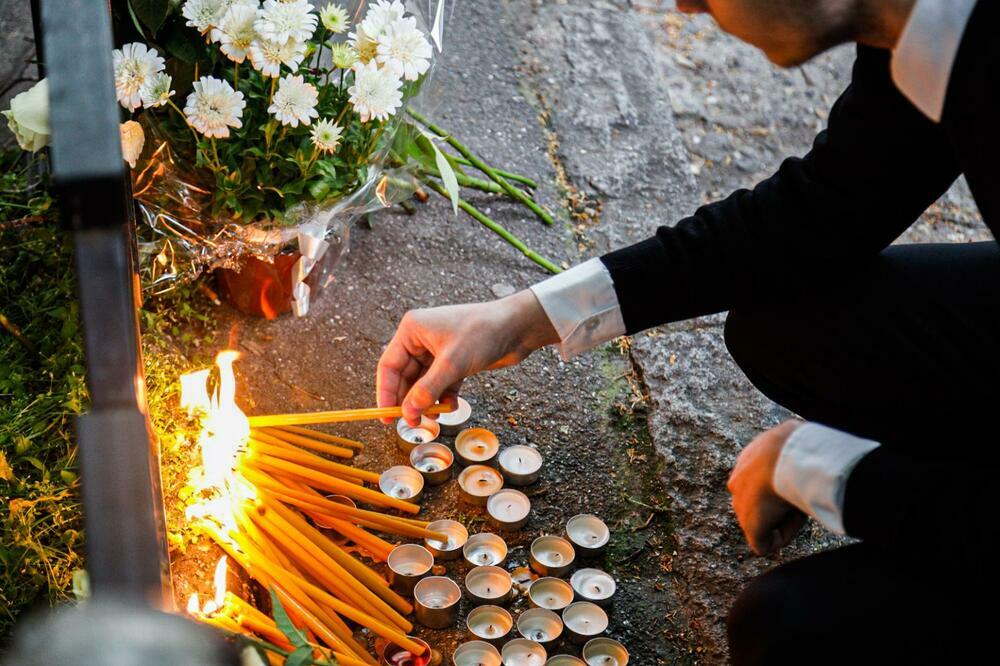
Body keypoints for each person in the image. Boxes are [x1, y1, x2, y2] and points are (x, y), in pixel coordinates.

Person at [378, 0, 997, 662]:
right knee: (784, 323)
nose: (685, 5)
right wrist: (523, 316)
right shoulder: (924, 26)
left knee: (788, 630)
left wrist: (832, 474)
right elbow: (822, 213)